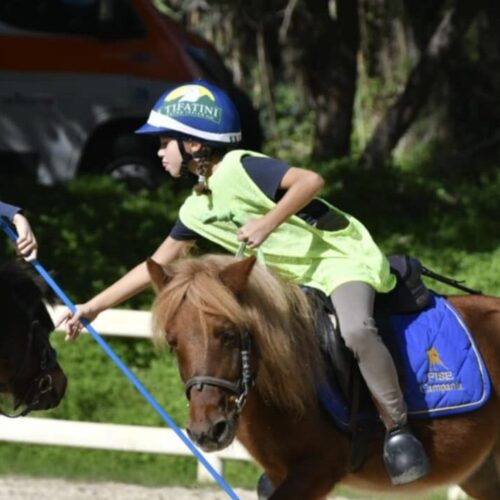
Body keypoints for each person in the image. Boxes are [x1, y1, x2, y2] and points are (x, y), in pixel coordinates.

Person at [57, 80, 430, 485]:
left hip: (340, 261)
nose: (159, 152)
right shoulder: (197, 207)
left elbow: (310, 181)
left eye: (165, 142)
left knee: (357, 330)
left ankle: (398, 431)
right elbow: (155, 263)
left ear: (195, 146)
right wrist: (92, 307)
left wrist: (268, 222)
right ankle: (290, 449)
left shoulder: (240, 166)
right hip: (296, 280)